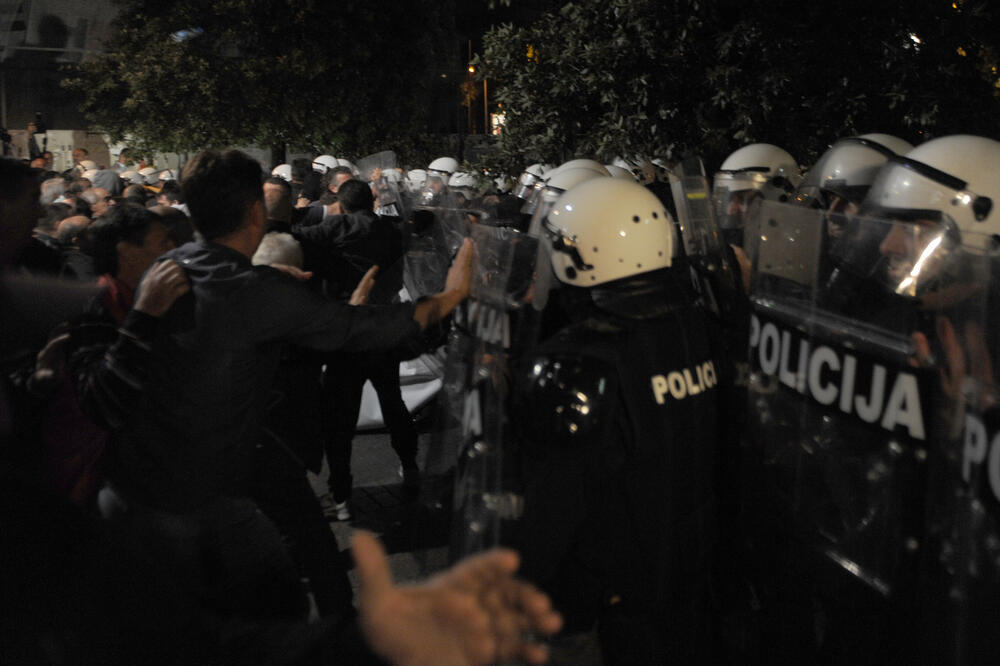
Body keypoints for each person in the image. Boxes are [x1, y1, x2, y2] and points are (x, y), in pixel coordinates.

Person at [512, 178, 724, 663]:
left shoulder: (577, 360)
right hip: (693, 570)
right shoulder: (696, 324)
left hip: (609, 600)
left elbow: (551, 508)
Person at [293, 178, 416, 519]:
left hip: (347, 335)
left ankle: (341, 494)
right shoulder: (391, 230)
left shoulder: (336, 226)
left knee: (339, 419)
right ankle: (411, 466)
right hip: (384, 329)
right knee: (394, 403)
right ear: (372, 202)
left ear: (342, 204)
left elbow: (294, 235)